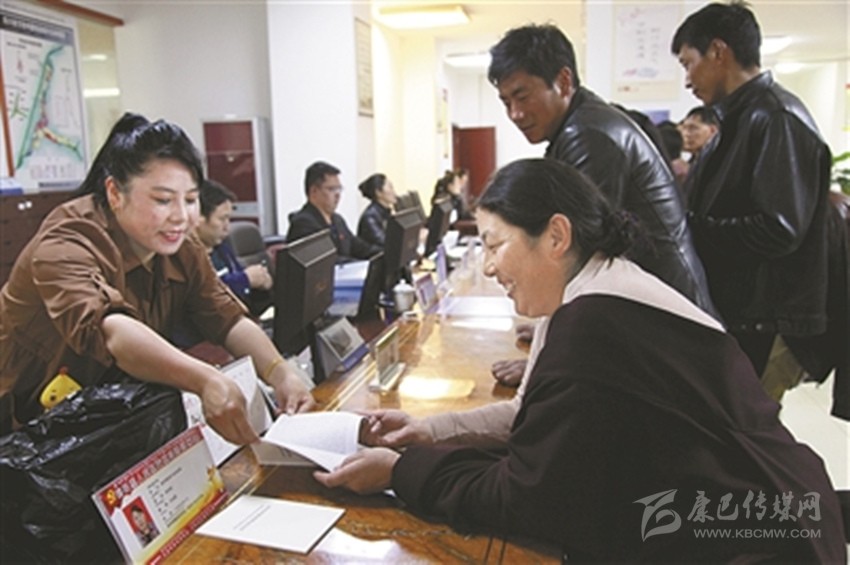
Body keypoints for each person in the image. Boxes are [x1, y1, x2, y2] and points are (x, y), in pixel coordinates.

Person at [314, 159, 846, 562]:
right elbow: (529, 415)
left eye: (495, 246)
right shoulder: (594, 286)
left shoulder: (592, 324)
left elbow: (530, 497)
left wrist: (402, 470)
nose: (489, 267)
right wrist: (430, 431)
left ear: (556, 235)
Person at [0, 113, 314, 441]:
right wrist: (205, 379)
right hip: (22, 427)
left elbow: (226, 318)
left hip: (100, 418)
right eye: (163, 200)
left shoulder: (182, 246)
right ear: (115, 193)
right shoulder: (66, 242)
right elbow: (112, 332)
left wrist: (280, 373)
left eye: (190, 200)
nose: (181, 216)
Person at [484, 23, 719, 387]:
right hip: (648, 320)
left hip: (667, 327)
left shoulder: (588, 136)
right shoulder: (577, 127)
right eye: (505, 102)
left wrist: (543, 359)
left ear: (563, 81)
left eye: (522, 96)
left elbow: (578, 258)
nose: (515, 113)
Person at [671, 2, 846, 404]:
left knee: (742, 430)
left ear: (718, 51)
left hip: (765, 319)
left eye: (688, 63)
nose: (687, 80)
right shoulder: (739, 118)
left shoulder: (776, 118)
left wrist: (691, 229)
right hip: (743, 315)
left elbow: (778, 229)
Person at [196, 179, 272, 316]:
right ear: (199, 219)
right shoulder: (189, 258)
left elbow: (245, 296)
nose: (227, 227)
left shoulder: (223, 249)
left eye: (229, 219)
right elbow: (207, 293)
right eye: (222, 219)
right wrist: (245, 280)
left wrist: (262, 284)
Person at [286, 161, 381, 263]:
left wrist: (383, 253)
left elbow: (360, 248)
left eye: (339, 189)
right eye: (331, 189)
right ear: (314, 191)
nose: (338, 195)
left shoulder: (337, 220)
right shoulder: (303, 223)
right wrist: (359, 264)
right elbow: (326, 261)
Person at [356, 173, 397, 247]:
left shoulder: (386, 212)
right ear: (378, 192)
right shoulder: (370, 217)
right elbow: (386, 243)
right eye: (390, 187)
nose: (394, 192)